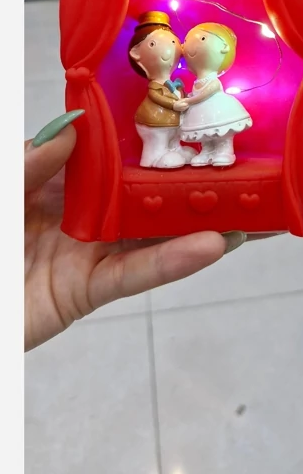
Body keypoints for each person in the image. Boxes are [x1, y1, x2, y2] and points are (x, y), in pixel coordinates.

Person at [25, 110, 246, 351]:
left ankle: (196, 151)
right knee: (170, 135)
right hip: (157, 122)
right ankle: (165, 154)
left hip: (173, 123)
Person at [175, 22, 252, 167]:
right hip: (200, 111)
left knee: (221, 132)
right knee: (204, 133)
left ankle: (224, 151)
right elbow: (196, 94)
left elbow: (205, 93)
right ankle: (207, 151)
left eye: (202, 39)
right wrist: (186, 97)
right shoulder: (197, 81)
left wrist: (190, 101)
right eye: (186, 41)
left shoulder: (213, 81)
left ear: (224, 48)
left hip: (217, 109)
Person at [127, 11, 195, 169]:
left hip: (173, 122)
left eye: (173, 42)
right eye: (153, 44)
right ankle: (154, 156)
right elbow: (156, 96)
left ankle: (175, 149)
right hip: (154, 121)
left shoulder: (176, 84)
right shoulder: (155, 86)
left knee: (173, 136)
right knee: (158, 139)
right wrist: (174, 105)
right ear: (136, 53)